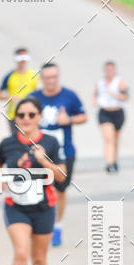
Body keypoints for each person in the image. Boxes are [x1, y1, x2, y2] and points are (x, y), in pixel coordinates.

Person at [0, 97, 66, 265]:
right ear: (15, 119)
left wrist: (44, 161)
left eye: (31, 115)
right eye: (21, 115)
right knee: (21, 252)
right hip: (16, 206)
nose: (26, 119)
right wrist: (1, 181)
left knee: (38, 259)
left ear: (39, 117)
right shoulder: (7, 143)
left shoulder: (51, 142)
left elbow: (62, 177)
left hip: (44, 207)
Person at [29, 63, 86, 246]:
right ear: (41, 79)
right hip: (40, 153)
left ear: (58, 76)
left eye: (54, 77)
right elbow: (23, 121)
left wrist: (68, 119)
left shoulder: (70, 96)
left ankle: (57, 226)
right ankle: (40, 226)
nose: (51, 81)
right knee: (40, 190)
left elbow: (83, 116)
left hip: (64, 152)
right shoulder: (34, 98)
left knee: (60, 191)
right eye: (47, 77)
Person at [94, 60, 128, 173]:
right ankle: (109, 163)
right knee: (108, 138)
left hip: (117, 112)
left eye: (111, 70)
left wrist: (113, 93)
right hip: (104, 112)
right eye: (107, 70)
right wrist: (94, 101)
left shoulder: (120, 82)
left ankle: (114, 160)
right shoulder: (100, 82)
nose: (109, 72)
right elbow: (96, 94)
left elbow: (125, 97)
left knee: (115, 139)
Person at [0, 48, 39, 135]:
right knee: (16, 141)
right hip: (14, 115)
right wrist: (11, 98)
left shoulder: (33, 74)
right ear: (15, 60)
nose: (22, 62)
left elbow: (37, 93)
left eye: (24, 60)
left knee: (31, 138)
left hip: (31, 114)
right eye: (20, 60)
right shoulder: (9, 76)